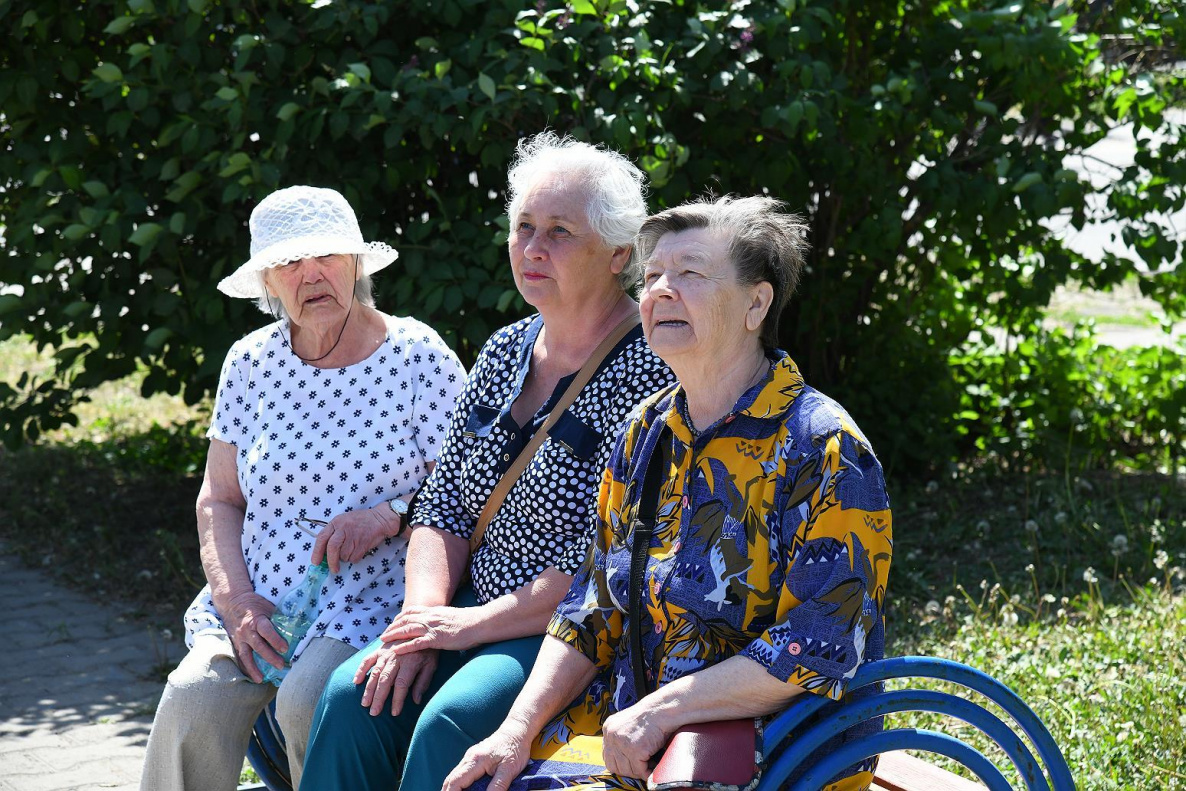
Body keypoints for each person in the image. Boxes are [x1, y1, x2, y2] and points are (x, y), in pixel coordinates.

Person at [443, 196, 894, 791]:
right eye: (652, 276)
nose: (659, 291)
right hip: (640, 732)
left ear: (755, 304)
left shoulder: (825, 447)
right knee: (487, 779)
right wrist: (517, 727)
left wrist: (663, 712)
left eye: (691, 275)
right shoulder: (647, 430)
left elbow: (818, 644)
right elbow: (592, 609)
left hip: (781, 746)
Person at [299, 133, 676, 791]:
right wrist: (423, 622)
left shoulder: (650, 372)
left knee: (451, 721)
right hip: (464, 605)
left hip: (567, 629)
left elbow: (605, 566)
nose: (532, 247)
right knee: (350, 695)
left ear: (619, 253)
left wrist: (465, 626)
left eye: (559, 232)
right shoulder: (505, 349)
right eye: (524, 226)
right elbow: (443, 502)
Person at [140, 185, 466, 791]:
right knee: (192, 696)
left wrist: (390, 513)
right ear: (267, 279)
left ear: (356, 265)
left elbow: (471, 488)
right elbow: (219, 497)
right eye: (291, 262)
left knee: (306, 698)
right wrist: (237, 602)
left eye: (328, 257)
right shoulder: (250, 361)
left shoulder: (417, 355)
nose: (311, 275)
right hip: (260, 597)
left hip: (369, 595)